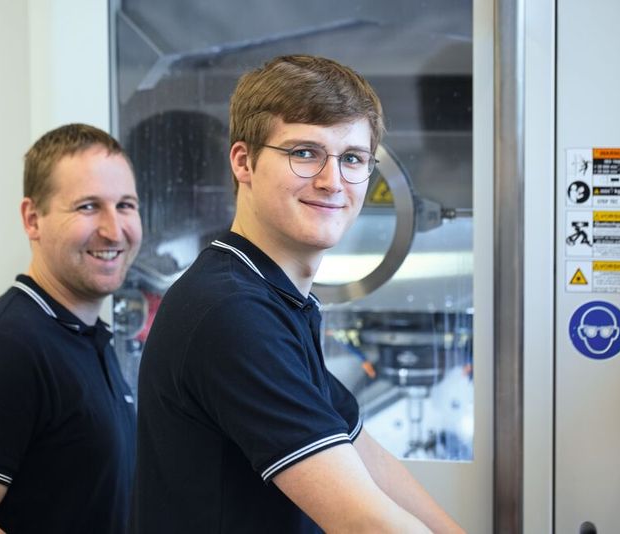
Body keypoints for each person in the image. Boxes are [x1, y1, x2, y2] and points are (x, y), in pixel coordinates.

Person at [131, 55, 464, 533]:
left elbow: (367, 459)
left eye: (352, 159)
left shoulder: (275, 299)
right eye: (305, 152)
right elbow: (364, 521)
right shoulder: (230, 312)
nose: (332, 181)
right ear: (244, 162)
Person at [0, 123, 142, 533]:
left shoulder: (88, 337)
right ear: (32, 218)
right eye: (88, 207)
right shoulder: (5, 347)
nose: (115, 230)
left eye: (126, 205)